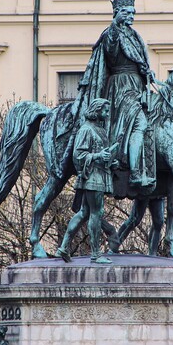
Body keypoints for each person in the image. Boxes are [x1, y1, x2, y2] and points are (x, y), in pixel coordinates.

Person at [78, 0, 157, 190]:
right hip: (121, 87)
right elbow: (111, 52)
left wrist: (147, 71)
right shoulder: (111, 33)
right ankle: (136, 173)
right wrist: (115, 25)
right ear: (117, 13)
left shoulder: (134, 35)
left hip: (137, 86)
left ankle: (147, 166)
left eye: (132, 12)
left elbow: (139, 61)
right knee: (141, 123)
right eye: (126, 12)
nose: (131, 15)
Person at [55, 98, 119, 264]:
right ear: (97, 111)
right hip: (92, 176)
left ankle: (63, 247)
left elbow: (101, 153)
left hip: (99, 174)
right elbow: (78, 155)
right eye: (104, 111)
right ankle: (96, 254)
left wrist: (111, 161)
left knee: (84, 212)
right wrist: (99, 156)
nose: (106, 114)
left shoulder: (100, 130)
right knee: (96, 213)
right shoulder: (86, 129)